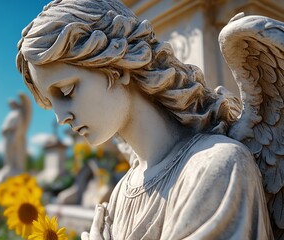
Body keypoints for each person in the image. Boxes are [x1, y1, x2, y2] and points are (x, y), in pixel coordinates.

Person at [16, 0, 273, 239]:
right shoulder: (121, 193)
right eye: (52, 105)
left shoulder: (217, 168)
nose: (61, 118)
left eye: (67, 91)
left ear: (117, 66)